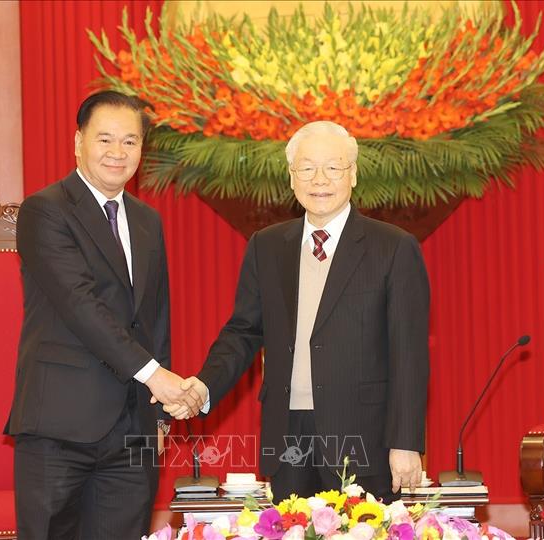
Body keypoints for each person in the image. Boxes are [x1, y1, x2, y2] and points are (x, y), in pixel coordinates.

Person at [168, 121, 430, 503]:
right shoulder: (267, 246)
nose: (319, 179)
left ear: (353, 174)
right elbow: (244, 331)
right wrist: (205, 385)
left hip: (363, 437)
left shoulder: (392, 247)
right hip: (288, 435)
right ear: (292, 178)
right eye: (307, 168)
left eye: (333, 167)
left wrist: (405, 441)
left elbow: (409, 353)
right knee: (288, 528)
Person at [5, 91, 202, 540]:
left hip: (132, 432)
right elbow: (81, 305)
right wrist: (157, 377)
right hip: (60, 424)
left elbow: (154, 319)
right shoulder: (45, 210)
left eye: (130, 141)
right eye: (105, 139)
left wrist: (159, 416)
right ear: (79, 142)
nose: (118, 152)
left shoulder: (148, 221)